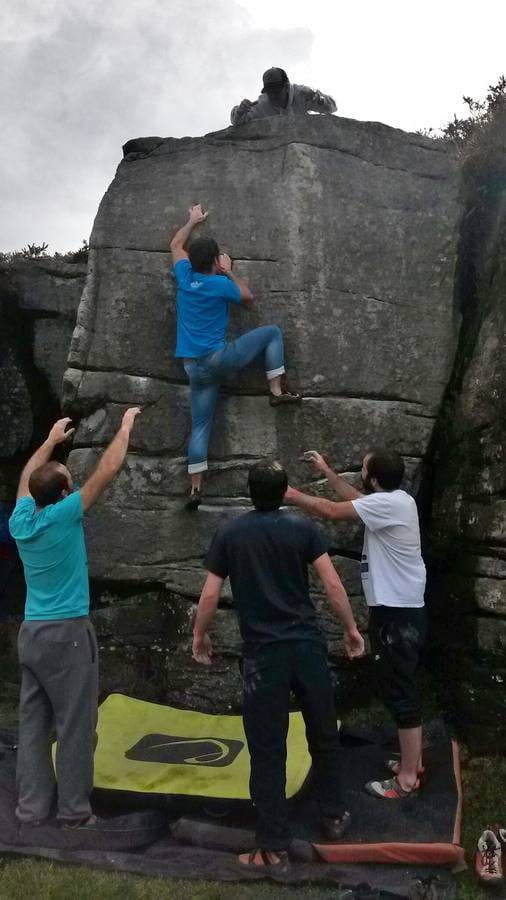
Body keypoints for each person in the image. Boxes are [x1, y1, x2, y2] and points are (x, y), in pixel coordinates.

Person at [192, 461, 365, 873]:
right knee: (323, 732)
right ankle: (334, 814)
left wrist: (200, 635)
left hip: (263, 657)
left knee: (268, 748)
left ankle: (273, 846)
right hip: (306, 647)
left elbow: (211, 595)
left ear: (249, 493)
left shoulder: (230, 534)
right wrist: (351, 629)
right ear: (284, 489)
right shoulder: (303, 529)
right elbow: (333, 584)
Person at [9, 408, 141, 835]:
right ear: (65, 491)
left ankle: (30, 811)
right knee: (75, 726)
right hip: (67, 635)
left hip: (31, 635)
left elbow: (27, 482)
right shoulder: (65, 514)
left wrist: (49, 441)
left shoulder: (21, 522)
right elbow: (108, 468)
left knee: (32, 725)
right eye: (68, 477)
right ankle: (74, 813)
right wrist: (125, 426)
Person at [285, 448, 427, 800]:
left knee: (400, 691)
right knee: (400, 685)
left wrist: (289, 494)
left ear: (375, 478)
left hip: (397, 614)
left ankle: (408, 779)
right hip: (400, 609)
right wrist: (328, 471)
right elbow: (358, 501)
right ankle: (415, 761)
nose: (361, 473)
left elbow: (332, 511)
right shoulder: (396, 500)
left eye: (363, 469)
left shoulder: (389, 505)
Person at [170, 203, 301, 510]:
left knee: (201, 425)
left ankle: (195, 489)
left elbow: (176, 244)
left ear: (192, 260)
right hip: (219, 359)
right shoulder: (219, 284)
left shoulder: (184, 277)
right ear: (215, 261)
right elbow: (247, 296)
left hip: (194, 369)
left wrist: (191, 221)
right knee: (271, 333)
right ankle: (276, 391)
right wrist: (229, 272)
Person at [231, 67, 337, 126]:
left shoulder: (302, 94)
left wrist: (320, 100)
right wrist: (239, 111)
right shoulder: (263, 104)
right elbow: (237, 121)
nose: (272, 96)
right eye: (269, 92)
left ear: (286, 87)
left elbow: (332, 108)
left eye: (276, 91)